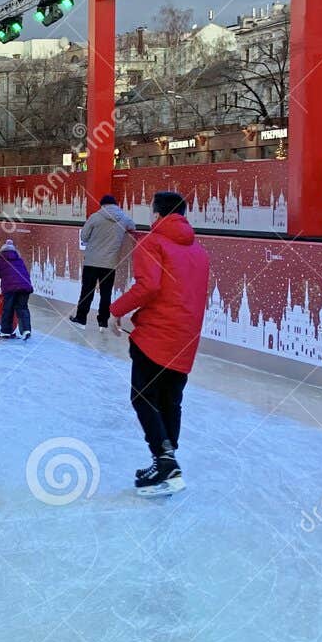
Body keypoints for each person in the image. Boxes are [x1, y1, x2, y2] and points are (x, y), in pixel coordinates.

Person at [110, 190, 210, 496]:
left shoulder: (152, 243)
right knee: (170, 400)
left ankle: (165, 461)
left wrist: (116, 310)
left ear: (156, 215)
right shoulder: (199, 251)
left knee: (143, 396)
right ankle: (168, 461)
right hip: (186, 335)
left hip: (156, 334)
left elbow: (149, 286)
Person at [71, 193, 136, 328]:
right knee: (106, 293)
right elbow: (133, 227)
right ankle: (103, 321)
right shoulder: (123, 218)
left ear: (103, 205)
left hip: (92, 261)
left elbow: (84, 236)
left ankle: (81, 319)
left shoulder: (95, 217)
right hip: (110, 263)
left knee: (87, 291)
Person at [0, 238, 33, 339]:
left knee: (7, 309)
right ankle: (26, 330)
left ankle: (5, 331)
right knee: (22, 308)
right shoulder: (19, 260)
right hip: (25, 287)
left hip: (10, 288)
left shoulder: (0, 261)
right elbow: (26, 274)